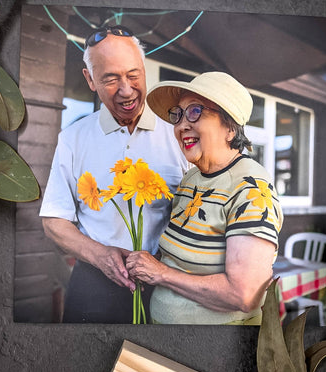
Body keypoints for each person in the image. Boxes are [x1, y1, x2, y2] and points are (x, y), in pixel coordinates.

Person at [39, 26, 187, 323]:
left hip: (168, 285)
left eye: (134, 75)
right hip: (94, 285)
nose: (126, 90)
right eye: (110, 79)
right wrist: (100, 255)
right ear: (89, 80)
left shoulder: (180, 133)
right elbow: (54, 220)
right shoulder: (73, 138)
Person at [126, 71, 284, 325]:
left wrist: (161, 274)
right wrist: (146, 265)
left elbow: (245, 295)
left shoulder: (251, 189)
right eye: (178, 114)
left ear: (230, 128)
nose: (181, 125)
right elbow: (182, 257)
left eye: (195, 111)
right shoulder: (192, 179)